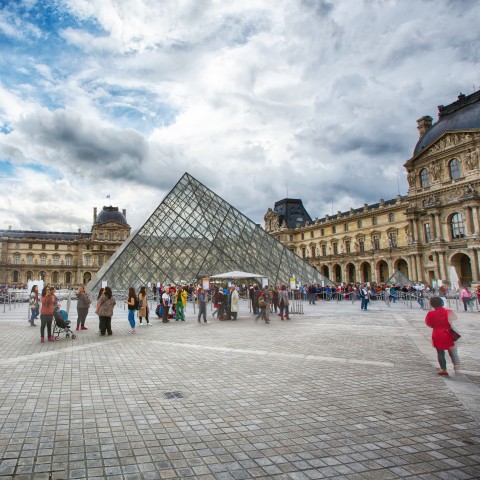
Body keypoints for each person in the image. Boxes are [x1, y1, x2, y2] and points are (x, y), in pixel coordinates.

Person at [425, 296, 460, 376]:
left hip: (437, 334)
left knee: (440, 353)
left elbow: (429, 324)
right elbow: (454, 318)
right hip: (448, 333)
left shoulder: (430, 313)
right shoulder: (448, 311)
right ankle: (455, 364)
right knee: (451, 351)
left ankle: (444, 369)